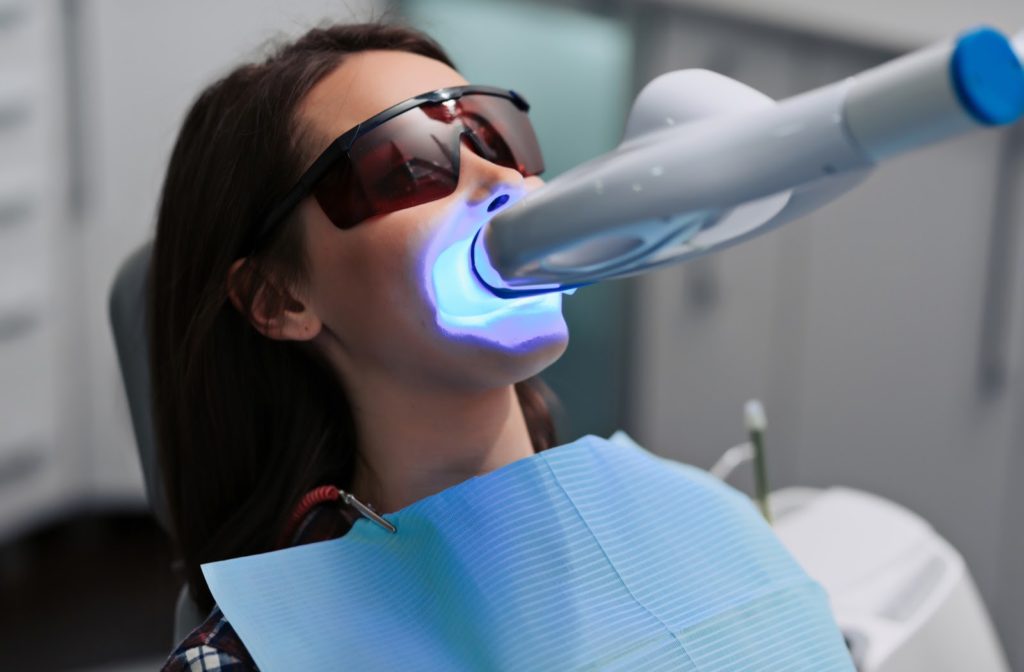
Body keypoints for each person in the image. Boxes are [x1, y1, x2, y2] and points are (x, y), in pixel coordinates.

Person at [154, 21, 566, 670]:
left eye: (497, 136)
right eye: (408, 163)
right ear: (278, 298)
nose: (499, 179)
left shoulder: (673, 513)